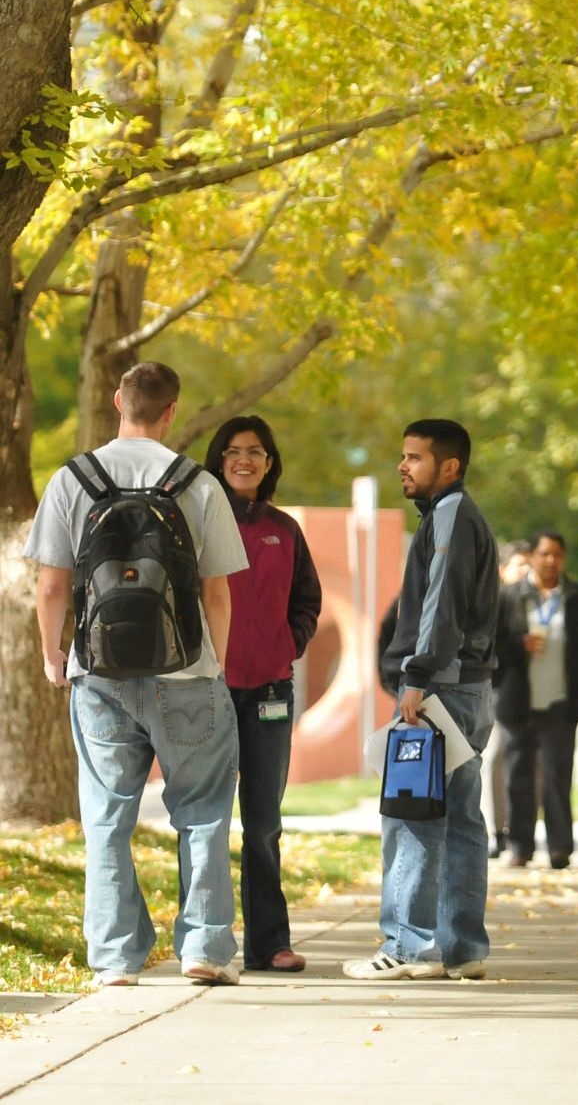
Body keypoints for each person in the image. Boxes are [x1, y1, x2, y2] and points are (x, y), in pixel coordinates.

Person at [24, 362, 248, 987]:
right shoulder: (198, 484)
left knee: (107, 817)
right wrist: (215, 664)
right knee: (203, 812)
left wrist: (52, 654)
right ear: (172, 410)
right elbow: (217, 593)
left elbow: (51, 584)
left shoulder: (73, 479)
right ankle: (204, 948)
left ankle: (115, 957)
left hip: (99, 675)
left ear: (118, 401)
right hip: (189, 672)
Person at [344, 419, 499, 982]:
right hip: (466, 689)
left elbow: (441, 601)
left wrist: (417, 674)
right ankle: (463, 949)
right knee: (460, 820)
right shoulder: (455, 514)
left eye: (415, 457)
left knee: (412, 818)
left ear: (449, 466)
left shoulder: (451, 513)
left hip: (438, 692)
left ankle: (406, 949)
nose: (402, 466)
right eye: (403, 455)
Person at [204, 415, 322, 973]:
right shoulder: (198, 524)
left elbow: (307, 600)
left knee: (263, 822)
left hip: (271, 690)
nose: (243, 460)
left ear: (269, 462)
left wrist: (287, 643)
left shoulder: (285, 530)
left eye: (254, 451)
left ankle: (269, 943)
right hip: (208, 690)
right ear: (218, 461)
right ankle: (205, 944)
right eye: (232, 451)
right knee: (206, 820)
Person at [495, 530, 578, 869]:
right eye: (544, 554)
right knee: (518, 777)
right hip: (518, 702)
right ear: (531, 557)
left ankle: (560, 847)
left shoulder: (577, 597)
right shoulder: (508, 597)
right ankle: (520, 845)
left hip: (562, 701)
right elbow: (488, 646)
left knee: (558, 777)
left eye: (557, 554)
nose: (551, 560)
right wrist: (519, 645)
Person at [484, 541, 532, 858]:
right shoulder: (495, 602)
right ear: (503, 570)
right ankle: (494, 830)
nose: (527, 571)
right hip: (498, 691)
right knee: (494, 757)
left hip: (532, 695)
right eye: (520, 565)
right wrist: (519, 644)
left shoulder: (538, 601)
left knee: (525, 765)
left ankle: (519, 830)